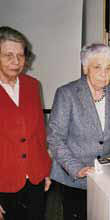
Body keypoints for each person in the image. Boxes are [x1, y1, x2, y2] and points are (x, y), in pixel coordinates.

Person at [47, 43, 110, 220]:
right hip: (74, 177)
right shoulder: (67, 94)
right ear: (85, 68)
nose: (104, 74)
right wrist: (77, 169)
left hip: (106, 176)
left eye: (109, 68)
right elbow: (55, 138)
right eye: (97, 67)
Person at [0, 26, 52, 220]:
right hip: (4, 182)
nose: (16, 61)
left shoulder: (32, 85)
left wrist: (45, 170)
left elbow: (39, 132)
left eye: (21, 55)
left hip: (35, 176)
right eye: (8, 55)